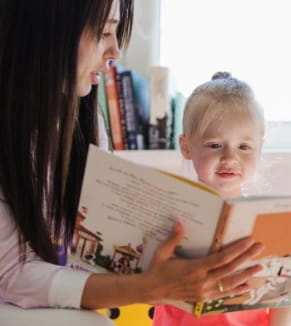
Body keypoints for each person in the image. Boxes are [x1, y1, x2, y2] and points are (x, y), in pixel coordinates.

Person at [0, 0, 264, 323]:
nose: (114, 52)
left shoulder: (88, 124)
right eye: (103, 32)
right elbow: (11, 272)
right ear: (47, 34)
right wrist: (150, 288)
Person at [153, 73, 291, 326]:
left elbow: (286, 294)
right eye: (214, 145)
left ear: (259, 148)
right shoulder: (169, 215)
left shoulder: (267, 221)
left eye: (244, 147)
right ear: (186, 146)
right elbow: (146, 287)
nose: (230, 157)